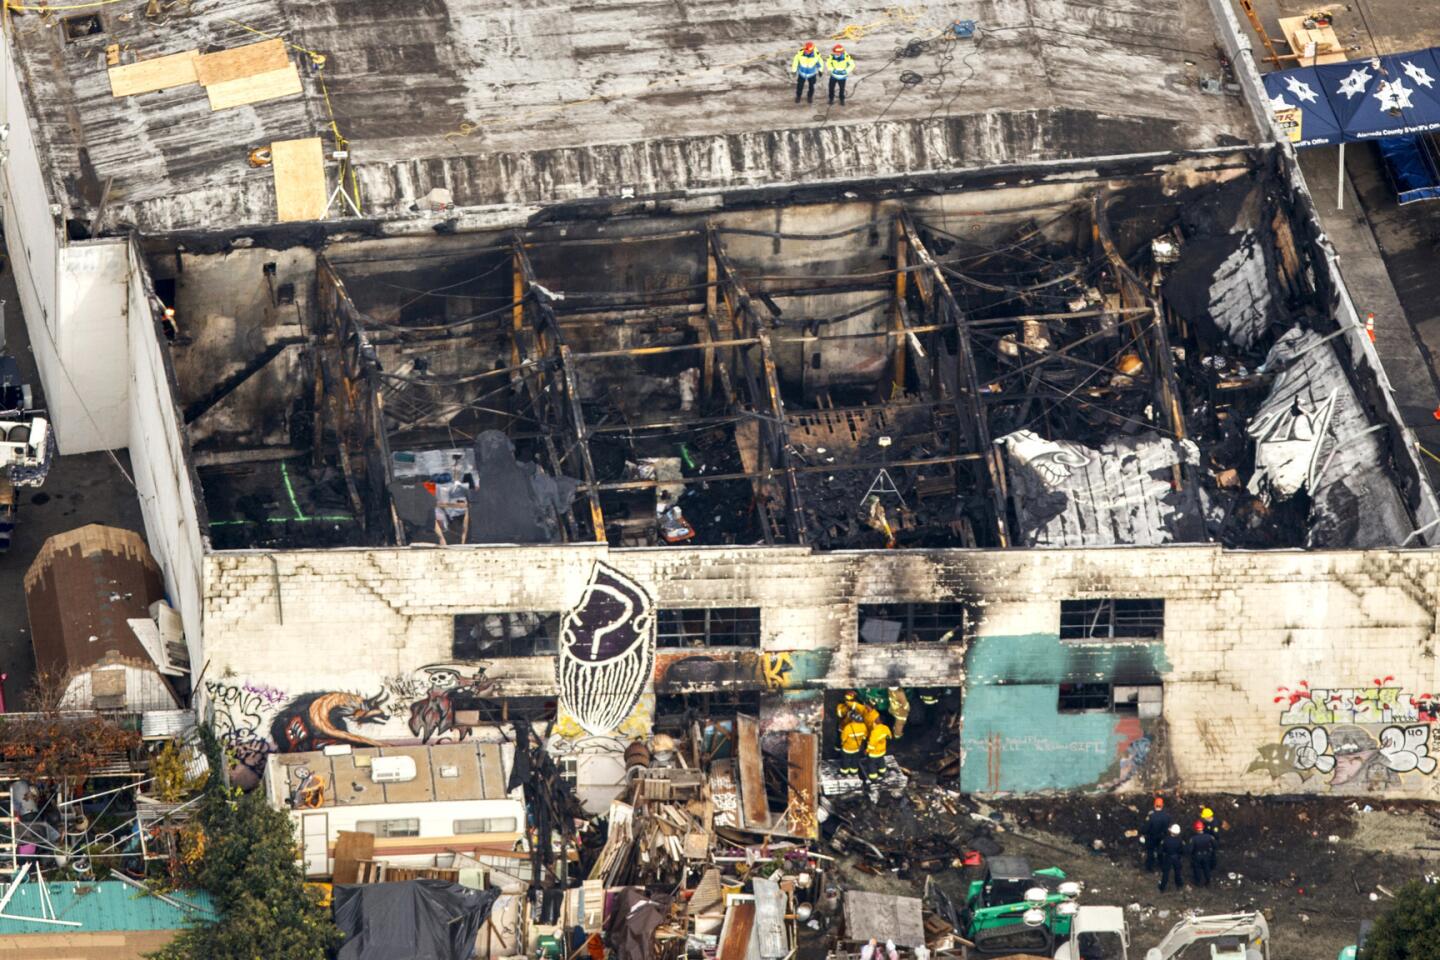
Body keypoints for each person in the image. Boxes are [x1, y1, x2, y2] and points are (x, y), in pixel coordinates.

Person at [1141, 797, 1172, 872]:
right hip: (1162, 837)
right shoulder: (1167, 816)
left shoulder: (1151, 816)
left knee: (1150, 852)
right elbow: (1168, 826)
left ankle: (1150, 868)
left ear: (1154, 805)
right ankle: (1161, 865)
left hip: (1151, 837)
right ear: (1162, 805)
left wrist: (1143, 833)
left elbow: (1146, 828)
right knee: (1160, 851)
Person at [1158, 823, 1186, 892]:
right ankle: (1179, 885)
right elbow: (1182, 850)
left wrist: (1161, 859)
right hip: (1176, 858)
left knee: (1166, 873)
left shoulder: (1165, 840)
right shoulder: (1180, 841)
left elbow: (1161, 850)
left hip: (1168, 857)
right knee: (1177, 872)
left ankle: (1162, 887)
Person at [1189, 820, 1217, 887]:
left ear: (1195, 829)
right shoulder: (1209, 836)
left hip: (1197, 855)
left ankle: (1198, 882)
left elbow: (1190, 849)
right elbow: (1215, 845)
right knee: (1206, 868)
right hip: (1206, 854)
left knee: (1197, 868)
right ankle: (1208, 881)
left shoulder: (1193, 839)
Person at [864, 719, 892, 784]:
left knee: (872, 764)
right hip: (882, 750)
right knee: (881, 761)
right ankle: (882, 773)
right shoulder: (885, 728)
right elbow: (889, 737)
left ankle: (873, 778)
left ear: (875, 724)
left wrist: (867, 751)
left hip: (874, 753)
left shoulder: (875, 732)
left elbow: (871, 745)